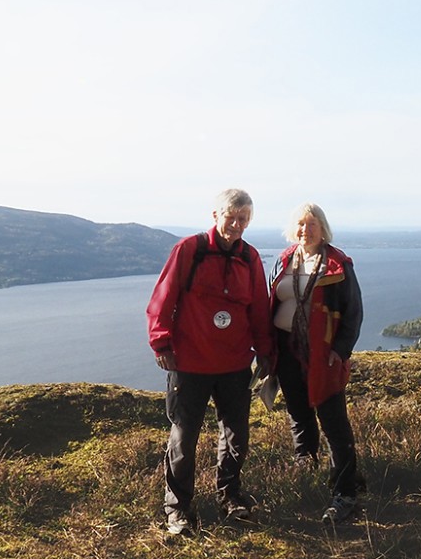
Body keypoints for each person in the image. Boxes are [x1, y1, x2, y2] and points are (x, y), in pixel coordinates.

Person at [145, 188, 275, 535]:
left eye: (243, 219)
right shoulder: (190, 250)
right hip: (189, 363)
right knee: (183, 439)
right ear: (215, 215)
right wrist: (161, 342)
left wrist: (265, 353)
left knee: (237, 437)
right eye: (230, 217)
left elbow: (259, 309)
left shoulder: (250, 257)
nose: (236, 224)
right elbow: (163, 297)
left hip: (234, 365)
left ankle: (230, 497)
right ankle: (178, 508)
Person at [270, 202, 364, 522]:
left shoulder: (337, 264)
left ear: (323, 229)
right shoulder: (284, 260)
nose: (305, 230)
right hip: (286, 351)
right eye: (300, 224)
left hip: (324, 353)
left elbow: (353, 312)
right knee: (299, 415)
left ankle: (345, 492)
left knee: (333, 420)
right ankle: (306, 472)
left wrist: (341, 350)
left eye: (312, 224)